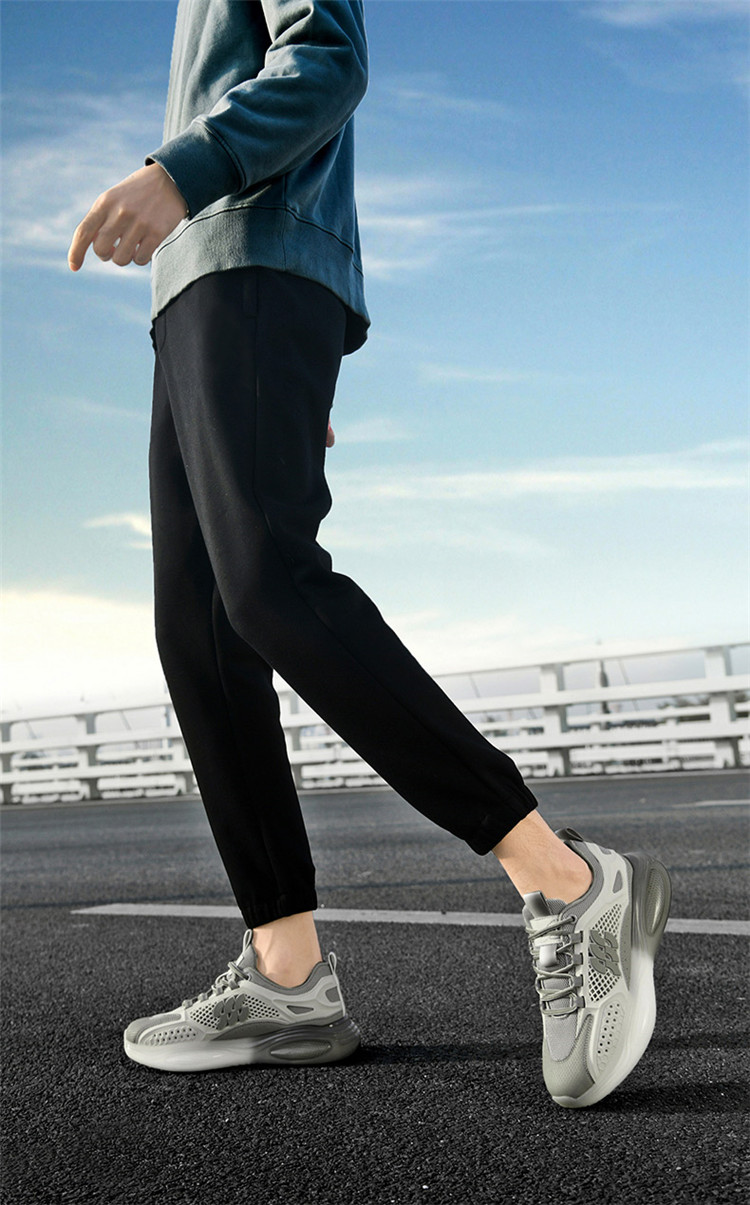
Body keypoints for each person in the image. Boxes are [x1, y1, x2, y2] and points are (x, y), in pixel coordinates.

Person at [68, 0, 671, 1107]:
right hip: (196, 289)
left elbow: (327, 58)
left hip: (250, 250)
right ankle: (287, 973)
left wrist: (179, 174)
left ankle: (566, 878)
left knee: (270, 585)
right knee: (197, 629)